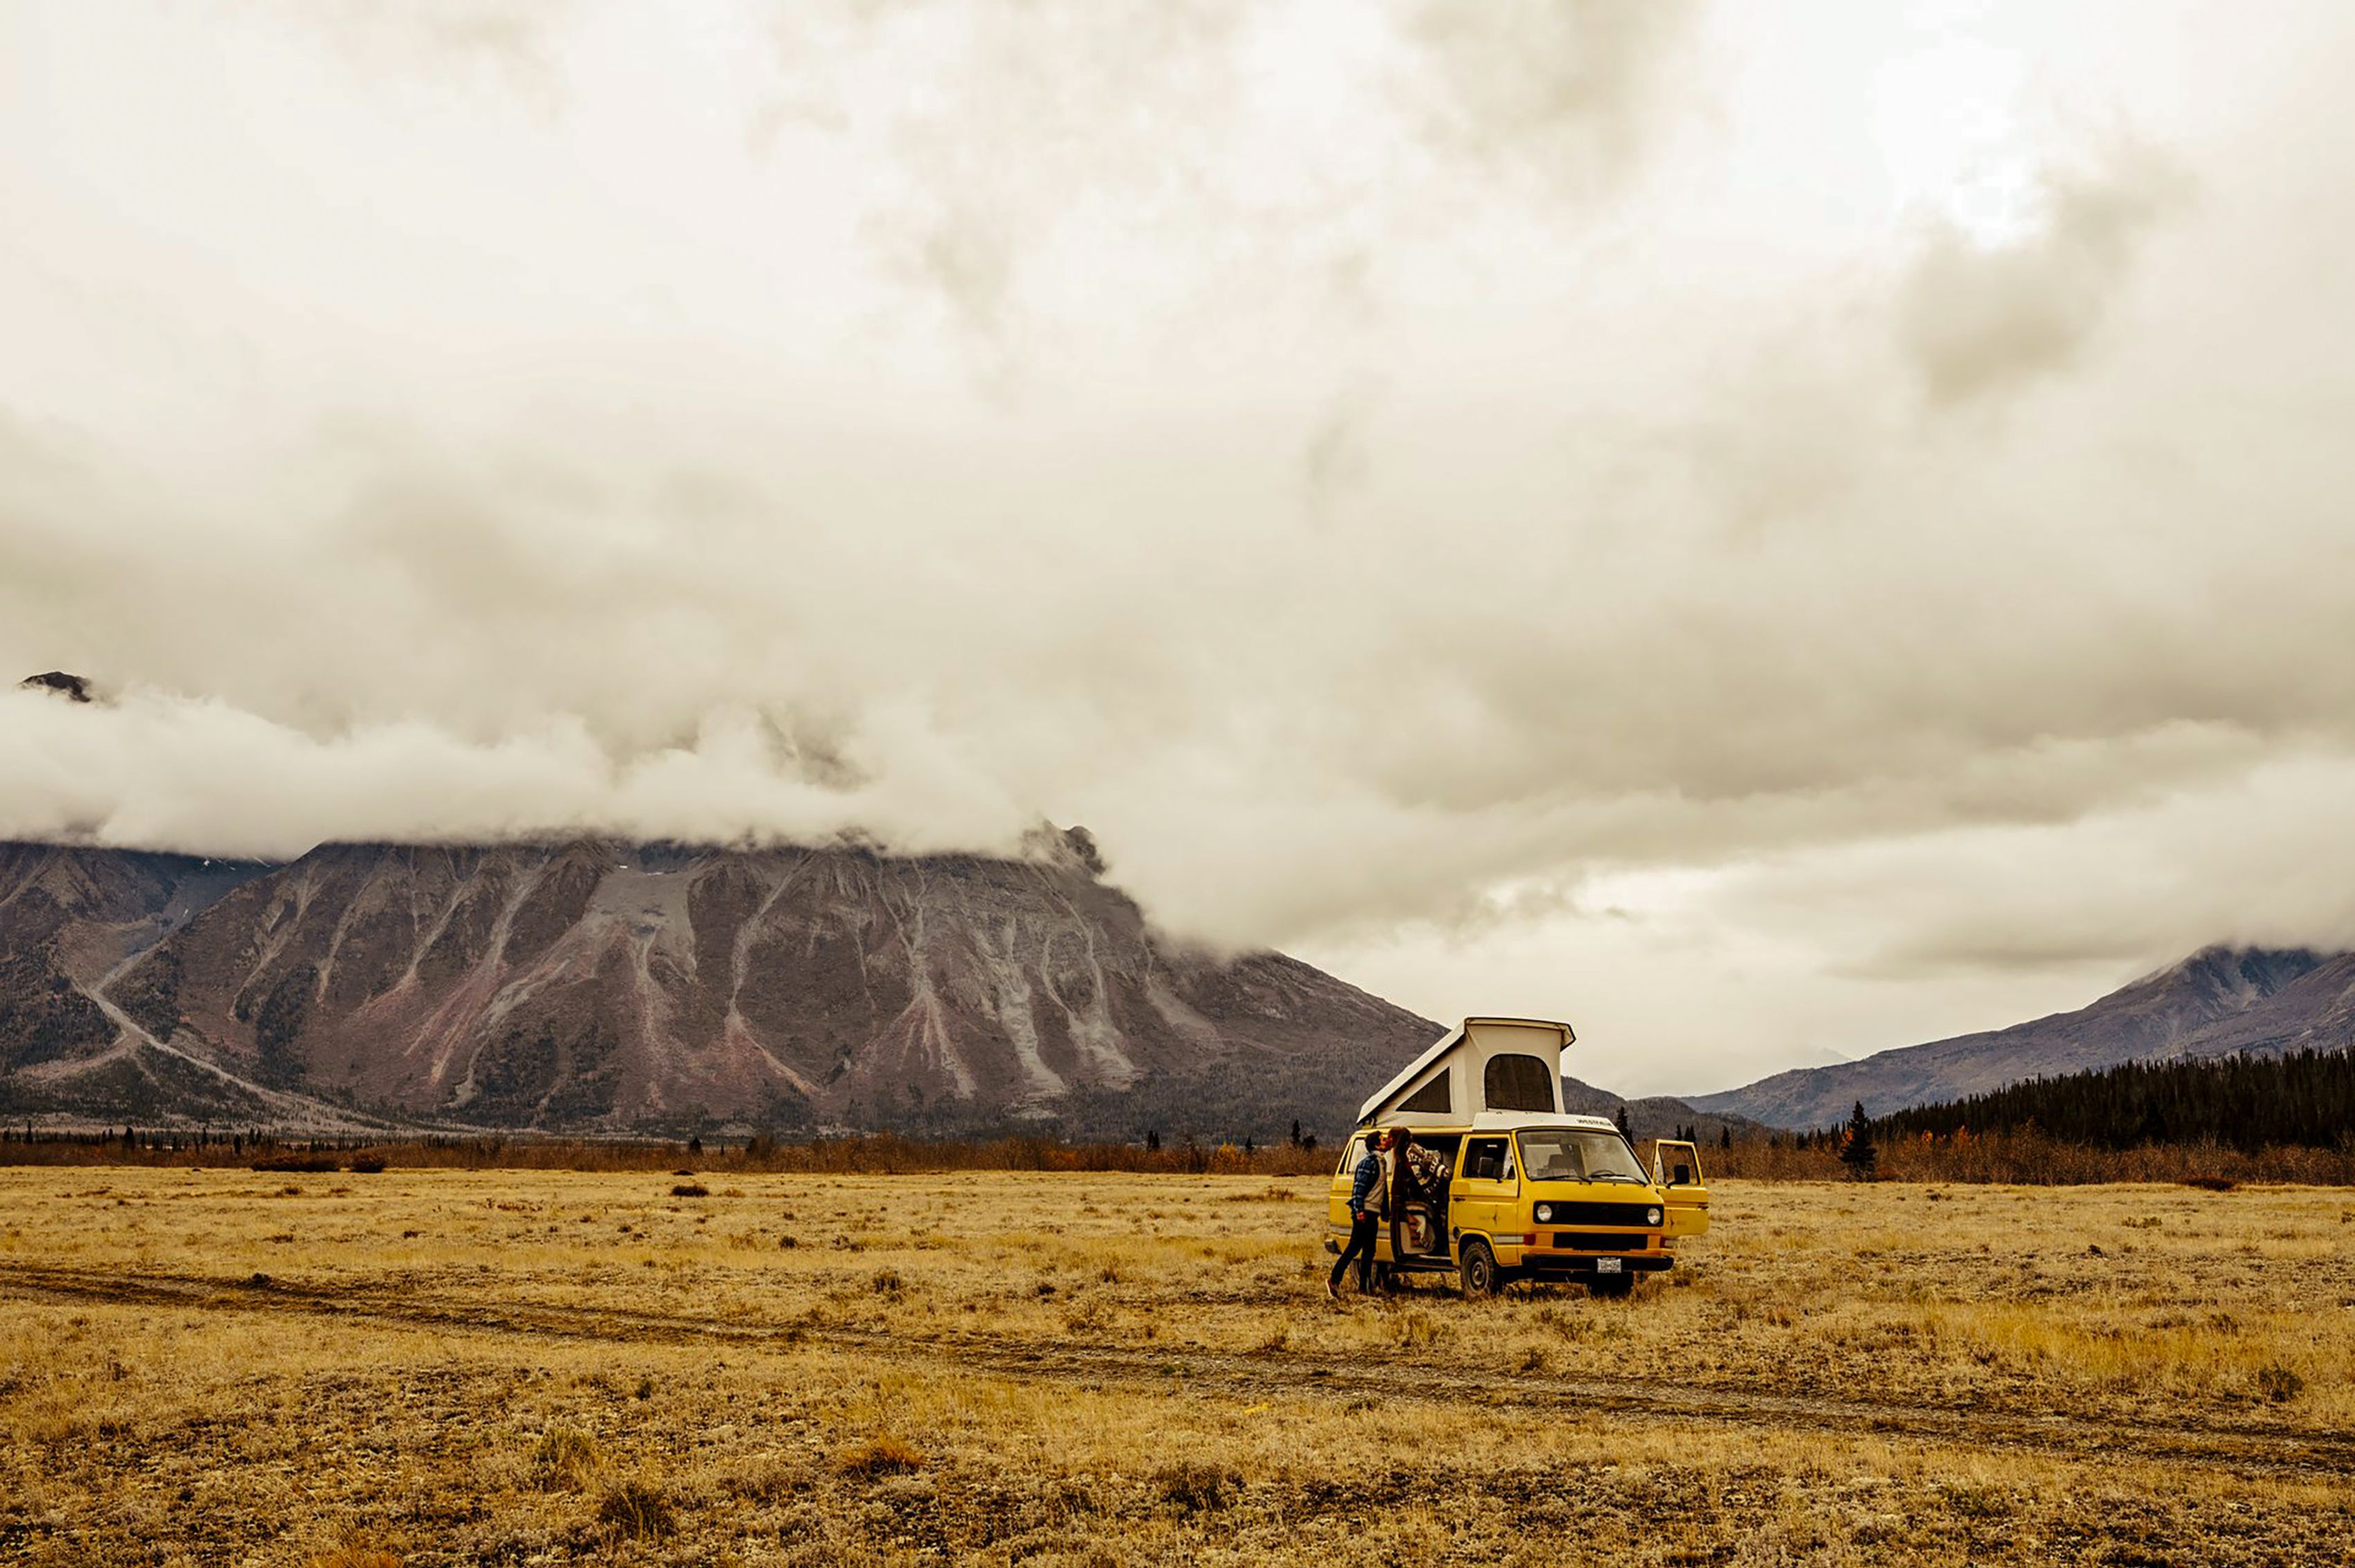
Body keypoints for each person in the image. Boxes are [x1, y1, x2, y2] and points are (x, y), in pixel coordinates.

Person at [1328, 1129, 1393, 1301]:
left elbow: (1382, 1191)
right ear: (1377, 1145)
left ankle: (1364, 1286)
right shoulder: (1368, 1163)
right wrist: (1359, 1211)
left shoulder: (1381, 1162)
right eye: (1383, 1139)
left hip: (1373, 1212)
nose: (1386, 1141)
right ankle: (1334, 1279)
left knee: (1369, 1250)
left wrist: (1385, 1212)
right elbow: (1358, 1189)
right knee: (1355, 1247)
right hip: (1365, 1212)